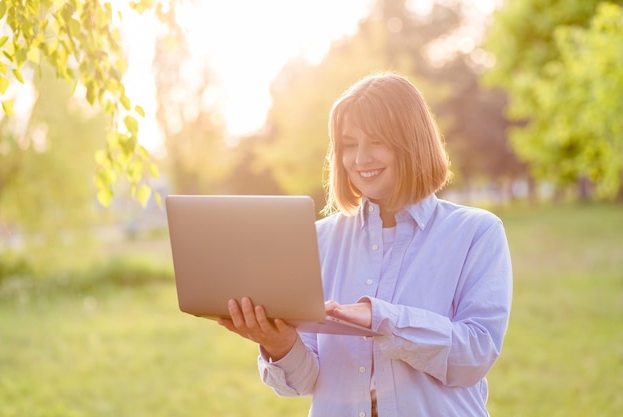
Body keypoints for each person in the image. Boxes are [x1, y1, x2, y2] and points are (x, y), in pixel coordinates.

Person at [218, 72, 512, 417]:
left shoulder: (476, 233)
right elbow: (305, 382)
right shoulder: (319, 239)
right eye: (348, 145)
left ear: (411, 141)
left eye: (375, 141)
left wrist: (381, 319)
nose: (360, 159)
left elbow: (474, 356)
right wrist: (277, 343)